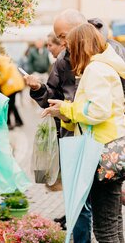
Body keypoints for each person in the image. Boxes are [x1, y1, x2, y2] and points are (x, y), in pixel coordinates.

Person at [42, 23, 125, 243]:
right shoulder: (104, 66)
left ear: (80, 46)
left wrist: (67, 108)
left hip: (102, 151)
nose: (67, 52)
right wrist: (65, 113)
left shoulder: (96, 69)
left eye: (69, 47)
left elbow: (98, 110)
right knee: (113, 221)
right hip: (110, 150)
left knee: (105, 227)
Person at [24, 9, 91, 240]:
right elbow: (52, 95)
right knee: (78, 200)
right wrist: (38, 89)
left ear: (80, 27)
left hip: (103, 138)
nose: (61, 43)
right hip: (72, 136)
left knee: (105, 206)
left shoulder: (107, 51)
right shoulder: (64, 60)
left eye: (63, 36)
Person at [0, 52, 24, 130]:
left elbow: (4, 76)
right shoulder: (4, 60)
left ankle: (9, 123)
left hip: (11, 86)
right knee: (11, 104)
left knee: (9, 105)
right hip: (13, 85)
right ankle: (18, 121)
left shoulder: (0, 61)